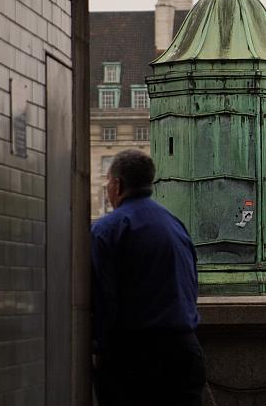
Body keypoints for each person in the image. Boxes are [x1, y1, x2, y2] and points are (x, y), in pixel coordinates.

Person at [91, 149, 205, 406]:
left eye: (108, 182)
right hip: (185, 351)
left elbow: (102, 298)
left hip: (134, 358)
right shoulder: (175, 224)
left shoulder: (106, 229)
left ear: (117, 185)